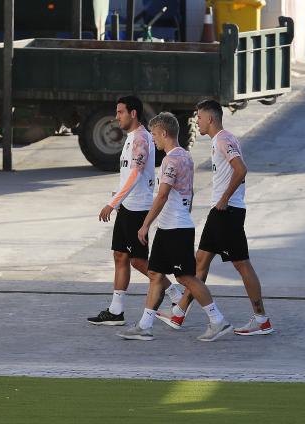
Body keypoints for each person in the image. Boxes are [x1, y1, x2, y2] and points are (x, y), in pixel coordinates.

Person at [156, 99, 273, 336]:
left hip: (226, 212)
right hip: (221, 211)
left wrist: (224, 199)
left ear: (210, 119)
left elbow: (241, 169)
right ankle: (179, 312)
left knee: (241, 263)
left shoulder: (223, 139)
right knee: (200, 262)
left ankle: (261, 319)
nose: (196, 121)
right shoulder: (219, 141)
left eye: (199, 117)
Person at [118, 112, 232, 341]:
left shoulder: (171, 160)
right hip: (171, 226)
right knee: (155, 273)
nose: (152, 140)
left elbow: (161, 196)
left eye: (154, 135)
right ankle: (145, 325)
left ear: (164, 133)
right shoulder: (185, 156)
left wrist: (144, 225)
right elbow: (188, 192)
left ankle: (218, 320)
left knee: (186, 277)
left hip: (175, 228)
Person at [88, 96, 181, 326]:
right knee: (120, 256)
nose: (116, 116)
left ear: (133, 113)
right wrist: (117, 198)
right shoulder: (131, 138)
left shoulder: (141, 138)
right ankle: (116, 311)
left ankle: (176, 294)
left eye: (120, 112)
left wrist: (113, 203)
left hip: (138, 208)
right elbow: (127, 174)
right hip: (126, 206)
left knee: (139, 261)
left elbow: (136, 174)